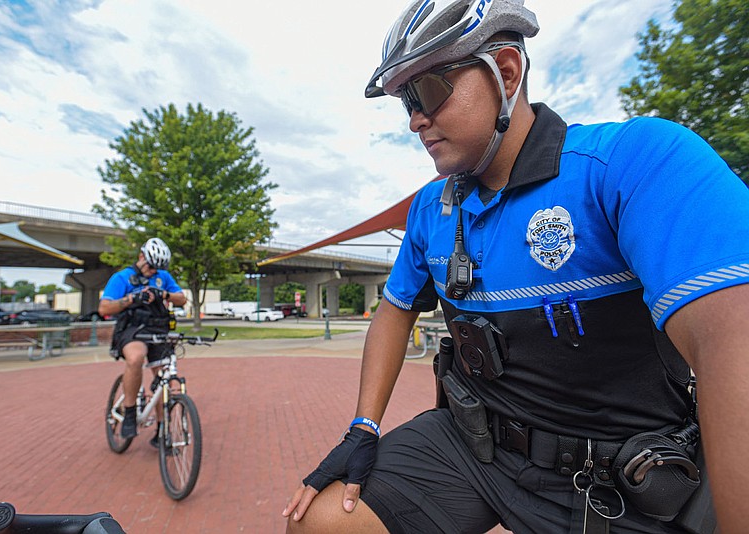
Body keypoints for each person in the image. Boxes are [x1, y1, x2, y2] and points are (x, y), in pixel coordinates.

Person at [283, 0, 749, 532]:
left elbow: (731, 338)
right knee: (320, 522)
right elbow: (393, 310)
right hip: (472, 447)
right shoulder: (428, 210)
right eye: (406, 101)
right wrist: (363, 427)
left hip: (616, 475)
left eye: (430, 91)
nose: (415, 120)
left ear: (505, 72)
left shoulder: (633, 161)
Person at [99, 237, 187, 445]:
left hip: (158, 327)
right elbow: (104, 308)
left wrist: (164, 294)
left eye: (157, 268)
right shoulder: (122, 278)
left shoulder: (162, 277)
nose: (153, 272)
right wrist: (131, 299)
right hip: (132, 329)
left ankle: (161, 429)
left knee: (162, 376)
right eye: (150, 267)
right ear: (141, 257)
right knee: (136, 357)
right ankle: (129, 412)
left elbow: (181, 298)